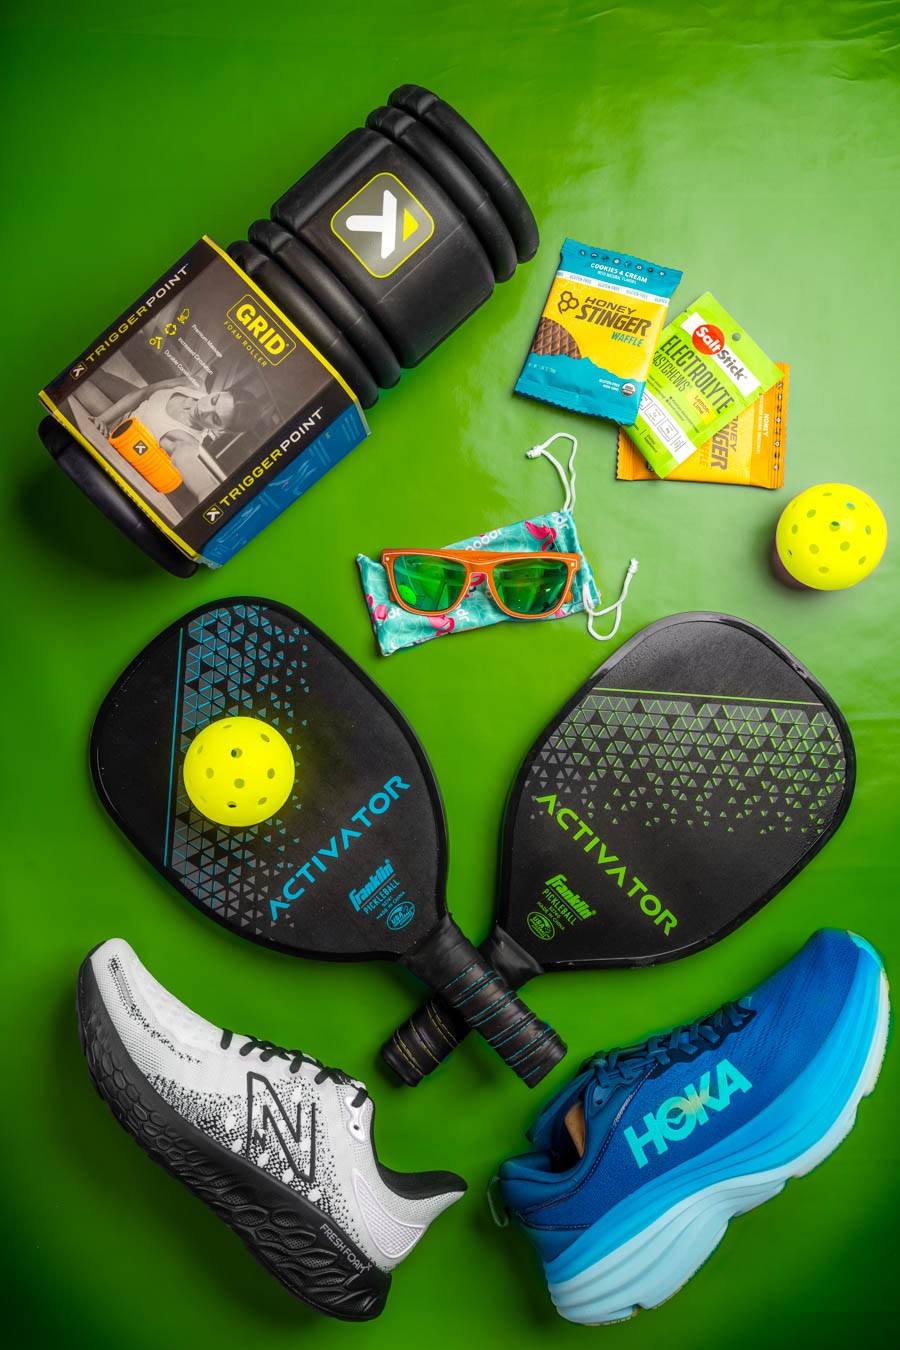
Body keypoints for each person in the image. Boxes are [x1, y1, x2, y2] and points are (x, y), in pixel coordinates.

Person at [94, 377, 249, 498]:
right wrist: (103, 418)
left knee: (84, 388)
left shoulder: (188, 441)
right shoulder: (193, 384)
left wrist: (206, 491)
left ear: (221, 431)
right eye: (214, 400)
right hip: (132, 400)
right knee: (97, 375)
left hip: (120, 427)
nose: (204, 410)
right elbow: (144, 392)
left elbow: (186, 461)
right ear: (218, 391)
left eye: (215, 419)